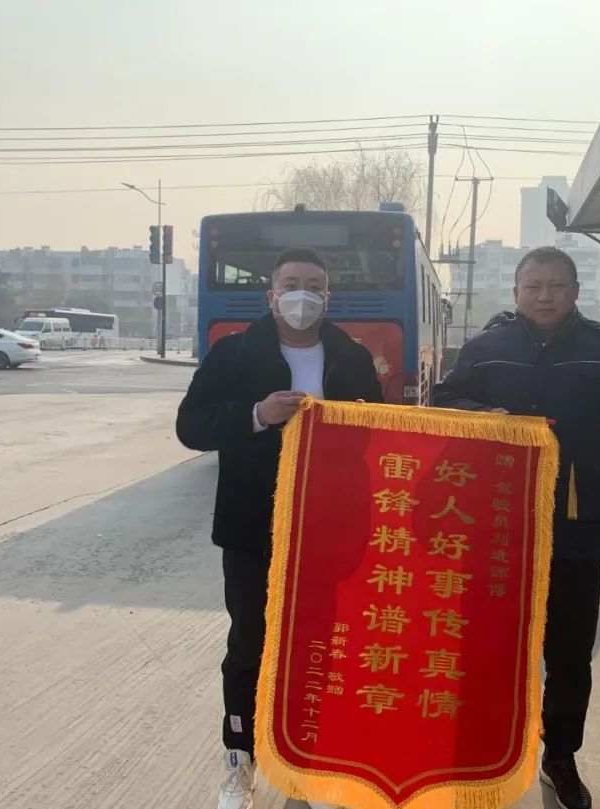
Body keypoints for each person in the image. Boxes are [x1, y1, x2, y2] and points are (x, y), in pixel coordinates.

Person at [432, 246, 600, 809]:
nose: (544, 296)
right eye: (533, 286)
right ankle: (478, 748)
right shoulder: (486, 348)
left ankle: (560, 755)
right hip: (495, 522)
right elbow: (443, 399)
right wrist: (481, 415)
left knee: (568, 649)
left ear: (575, 291)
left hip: (574, 521)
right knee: (486, 641)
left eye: (556, 286)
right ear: (516, 292)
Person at [176, 247, 383, 809]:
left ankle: (308, 764)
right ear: (271, 295)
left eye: (313, 284)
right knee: (250, 644)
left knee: (319, 645)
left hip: (330, 529)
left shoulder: (351, 358)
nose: (301, 294)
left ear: (327, 296)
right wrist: (257, 415)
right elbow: (191, 426)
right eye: (290, 284)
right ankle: (239, 759)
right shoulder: (234, 353)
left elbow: (378, 434)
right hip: (253, 526)